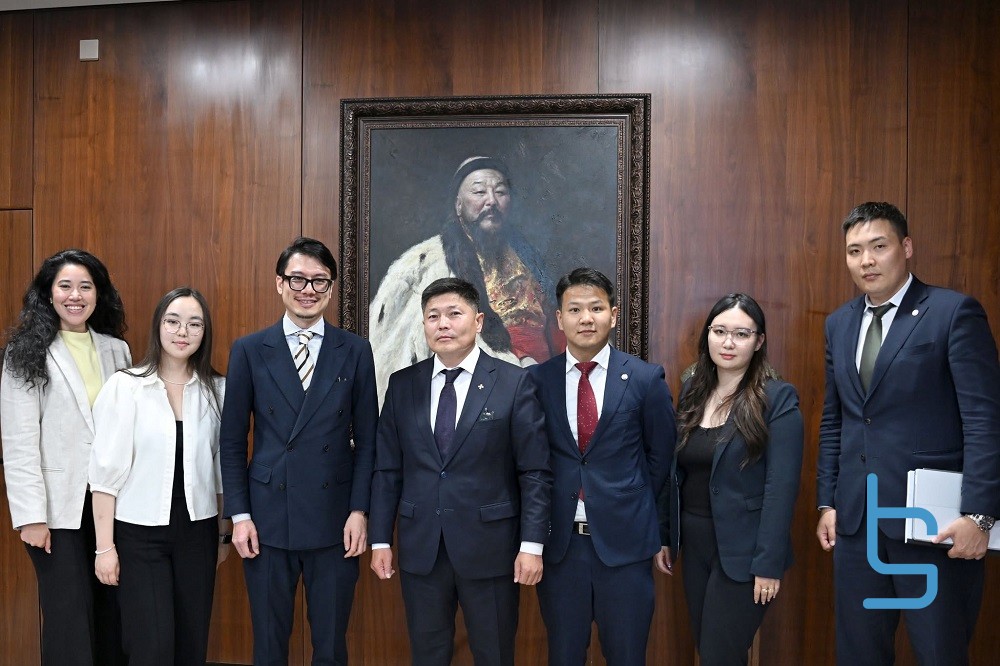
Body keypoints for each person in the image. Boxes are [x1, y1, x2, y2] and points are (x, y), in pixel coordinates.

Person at [815, 202, 1000, 665]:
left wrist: (980, 516)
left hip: (933, 526)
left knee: (939, 652)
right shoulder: (839, 324)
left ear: (907, 247)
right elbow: (836, 420)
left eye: (879, 246)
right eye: (854, 251)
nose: (866, 260)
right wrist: (828, 503)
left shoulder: (952, 312)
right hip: (857, 523)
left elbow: (984, 420)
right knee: (858, 655)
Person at [368, 277, 551, 666]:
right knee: (427, 655)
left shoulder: (513, 383)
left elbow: (534, 472)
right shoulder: (403, 385)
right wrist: (380, 539)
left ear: (479, 321)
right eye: (433, 316)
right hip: (422, 548)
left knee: (494, 654)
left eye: (454, 313)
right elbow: (387, 469)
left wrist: (532, 545)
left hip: (491, 548)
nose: (443, 324)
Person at [219, 236, 377, 665]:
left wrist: (360, 511)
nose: (308, 289)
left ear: (331, 288)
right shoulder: (250, 349)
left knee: (331, 643)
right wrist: (240, 515)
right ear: (280, 283)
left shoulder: (355, 350)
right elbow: (232, 442)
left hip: (335, 517)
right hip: (267, 519)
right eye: (298, 279)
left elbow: (368, 441)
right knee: (269, 643)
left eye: (319, 281)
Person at [528, 267, 674, 666]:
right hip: (561, 548)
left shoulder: (645, 379)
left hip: (625, 546)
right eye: (575, 309)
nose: (586, 318)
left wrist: (627, 502)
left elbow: (660, 458)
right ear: (559, 319)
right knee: (564, 655)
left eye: (596, 308)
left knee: (626, 655)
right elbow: (531, 462)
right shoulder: (536, 381)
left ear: (613, 314)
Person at [0, 249, 130, 666]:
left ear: (98, 293)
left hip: (112, 506)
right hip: (56, 511)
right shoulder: (26, 351)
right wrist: (30, 517)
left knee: (112, 616)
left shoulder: (117, 350)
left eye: (85, 287)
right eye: (65, 286)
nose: (76, 296)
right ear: (48, 293)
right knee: (69, 620)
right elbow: (19, 441)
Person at [89, 287, 229, 665]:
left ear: (204, 332)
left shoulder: (218, 390)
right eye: (173, 321)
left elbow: (220, 473)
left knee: (191, 645)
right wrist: (104, 548)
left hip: (198, 534)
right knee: (151, 647)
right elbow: (104, 477)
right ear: (158, 326)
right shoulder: (126, 386)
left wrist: (222, 536)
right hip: (138, 535)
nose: (183, 331)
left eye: (194, 324)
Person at [664, 293, 803, 665]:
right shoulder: (693, 391)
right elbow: (676, 473)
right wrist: (666, 536)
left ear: (758, 341)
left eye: (741, 334)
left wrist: (768, 564)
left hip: (745, 552)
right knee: (707, 648)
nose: (728, 342)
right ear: (707, 335)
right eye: (720, 331)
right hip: (694, 545)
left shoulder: (777, 398)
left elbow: (781, 487)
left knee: (719, 655)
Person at [369, 155, 564, 403]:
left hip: (543, 386)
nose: (491, 201)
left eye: (500, 192)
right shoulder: (428, 264)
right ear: (458, 205)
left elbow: (556, 328)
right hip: (476, 392)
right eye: (479, 192)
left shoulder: (529, 258)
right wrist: (518, 362)